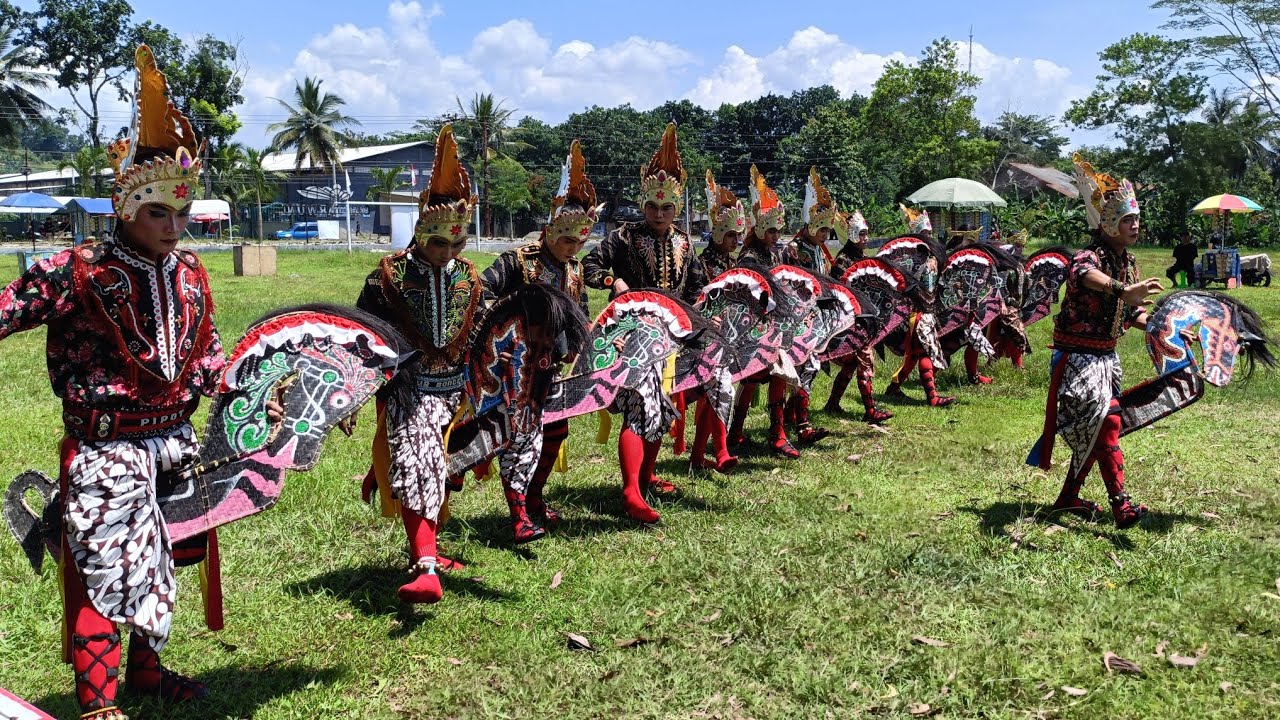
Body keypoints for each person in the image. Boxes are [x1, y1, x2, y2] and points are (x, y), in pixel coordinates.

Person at [0, 45, 279, 719]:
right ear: (126, 205)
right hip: (106, 450)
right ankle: (99, 704)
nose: (175, 228)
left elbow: (206, 355)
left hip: (176, 444)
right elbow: (7, 311)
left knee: (164, 560)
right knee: (108, 568)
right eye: (160, 213)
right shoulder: (77, 270)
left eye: (183, 214)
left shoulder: (191, 275)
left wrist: (250, 388)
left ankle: (147, 675)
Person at [357, 124, 482, 603]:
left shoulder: (471, 280)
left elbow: (481, 333)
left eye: (456, 244)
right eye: (437, 244)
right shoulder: (386, 277)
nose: (447, 254)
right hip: (410, 390)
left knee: (505, 437)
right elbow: (363, 338)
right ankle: (425, 564)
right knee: (419, 453)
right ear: (419, 235)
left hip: (461, 388)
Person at [1027, 154, 1163, 529]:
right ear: (1108, 223)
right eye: (1127, 219)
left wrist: (1159, 328)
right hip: (1078, 359)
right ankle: (1121, 506)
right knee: (1106, 425)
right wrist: (1123, 290)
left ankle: (1067, 498)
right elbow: (1085, 274)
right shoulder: (1089, 257)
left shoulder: (1128, 262)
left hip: (1106, 358)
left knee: (1097, 428)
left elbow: (1130, 312)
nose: (1135, 225)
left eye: (1136, 218)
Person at [582, 122, 706, 524]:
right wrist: (613, 281)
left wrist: (702, 313)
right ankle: (631, 492)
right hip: (632, 336)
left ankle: (648, 477)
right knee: (640, 406)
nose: (657, 214)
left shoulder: (686, 243)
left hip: (672, 337)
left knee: (662, 407)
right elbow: (590, 265)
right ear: (643, 204)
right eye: (652, 206)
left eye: (666, 207)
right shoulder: (623, 236)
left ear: (677, 208)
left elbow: (699, 285)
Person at [480, 139, 597, 540]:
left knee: (556, 433)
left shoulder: (575, 269)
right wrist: (520, 312)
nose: (573, 248)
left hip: (557, 369)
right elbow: (481, 293)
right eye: (567, 240)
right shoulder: (518, 261)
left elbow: (579, 312)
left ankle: (534, 498)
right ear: (548, 232)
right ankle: (519, 515)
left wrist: (581, 347)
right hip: (518, 373)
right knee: (520, 438)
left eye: (580, 242)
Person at [728, 165, 805, 457]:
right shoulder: (748, 257)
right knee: (750, 379)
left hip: (776, 326)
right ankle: (736, 431)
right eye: (770, 230)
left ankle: (777, 433)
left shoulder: (778, 252)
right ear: (759, 228)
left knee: (778, 375)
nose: (775, 235)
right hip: (753, 325)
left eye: (777, 230)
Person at [686, 170, 747, 473]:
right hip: (706, 337)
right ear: (720, 234)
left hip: (728, 336)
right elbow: (698, 299)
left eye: (738, 235)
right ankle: (716, 451)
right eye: (732, 235)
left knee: (719, 393)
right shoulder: (703, 263)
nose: (736, 240)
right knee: (717, 390)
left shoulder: (734, 263)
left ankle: (703, 454)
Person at [824, 210, 894, 422]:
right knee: (863, 358)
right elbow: (838, 289)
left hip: (862, 317)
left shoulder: (861, 258)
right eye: (861, 234)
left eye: (866, 234)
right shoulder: (843, 260)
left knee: (852, 363)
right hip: (848, 318)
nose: (865, 238)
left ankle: (833, 403)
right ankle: (870, 410)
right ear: (853, 235)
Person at [884, 205, 955, 407]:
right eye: (924, 233)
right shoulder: (909, 259)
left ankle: (893, 388)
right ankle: (932, 398)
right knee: (923, 353)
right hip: (916, 314)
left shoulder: (932, 256)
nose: (928, 236)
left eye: (930, 232)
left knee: (913, 357)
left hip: (928, 312)